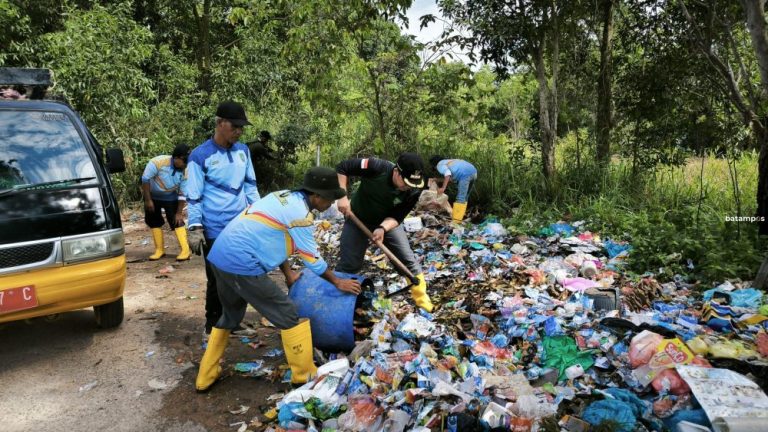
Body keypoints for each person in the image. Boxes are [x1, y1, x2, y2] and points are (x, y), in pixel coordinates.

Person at [195, 167, 361, 391]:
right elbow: (312, 258)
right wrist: (338, 282)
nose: (330, 204)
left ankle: (206, 375)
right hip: (241, 263)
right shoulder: (300, 215)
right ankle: (304, 376)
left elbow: (279, 236)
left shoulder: (283, 196)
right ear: (316, 196)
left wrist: (289, 273)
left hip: (220, 256)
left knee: (231, 315)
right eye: (330, 198)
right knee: (288, 314)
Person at [185, 101, 260, 340]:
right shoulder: (200, 156)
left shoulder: (243, 151)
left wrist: (259, 215)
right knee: (217, 278)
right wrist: (194, 227)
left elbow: (250, 186)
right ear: (219, 123)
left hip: (240, 225)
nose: (239, 131)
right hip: (214, 228)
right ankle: (212, 325)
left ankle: (234, 322)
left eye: (242, 127)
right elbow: (194, 196)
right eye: (235, 126)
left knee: (240, 274)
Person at [335, 153, 434, 312]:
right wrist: (342, 196)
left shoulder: (416, 187)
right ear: (396, 172)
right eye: (406, 182)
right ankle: (336, 302)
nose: (408, 187)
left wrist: (382, 228)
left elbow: (398, 215)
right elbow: (343, 167)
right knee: (350, 264)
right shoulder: (376, 167)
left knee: (407, 261)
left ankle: (424, 302)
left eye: (413, 184)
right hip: (358, 218)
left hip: (386, 222)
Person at [140, 143, 191, 261]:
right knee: (153, 221)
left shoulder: (185, 170)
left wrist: (179, 213)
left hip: (171, 197)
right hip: (152, 196)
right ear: (176, 158)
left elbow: (183, 193)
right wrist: (148, 200)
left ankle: (185, 250)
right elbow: (145, 179)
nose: (185, 165)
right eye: (184, 161)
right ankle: (159, 250)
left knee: (176, 220)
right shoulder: (157, 162)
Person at [429, 156, 478, 222]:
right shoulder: (448, 162)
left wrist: (443, 188)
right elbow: (450, 179)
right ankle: (461, 215)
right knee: (465, 197)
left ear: (433, 165)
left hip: (465, 174)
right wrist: (437, 180)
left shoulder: (439, 165)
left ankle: (456, 221)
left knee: (460, 198)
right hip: (473, 172)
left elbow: (447, 174)